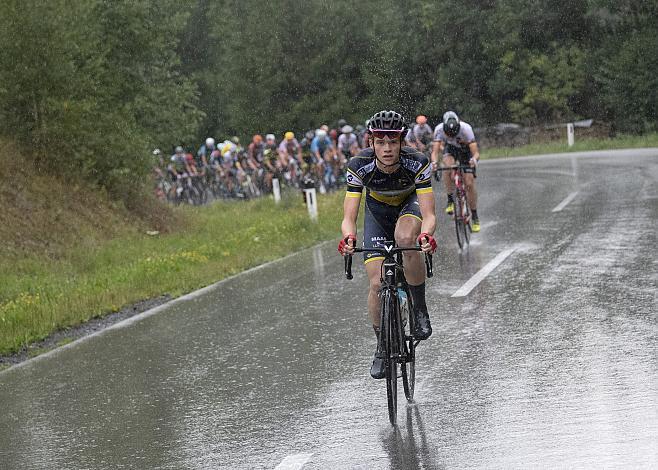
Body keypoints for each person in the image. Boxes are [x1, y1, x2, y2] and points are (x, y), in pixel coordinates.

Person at [338, 110, 437, 379]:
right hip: (377, 215)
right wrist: (348, 239)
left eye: (393, 142)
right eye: (380, 142)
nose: (387, 148)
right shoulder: (358, 165)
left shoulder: (417, 162)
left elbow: (429, 215)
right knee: (376, 283)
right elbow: (349, 217)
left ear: (402, 141)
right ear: (371, 142)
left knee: (405, 239)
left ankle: (419, 309)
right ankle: (381, 346)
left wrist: (426, 236)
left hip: (409, 207)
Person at [431, 111, 481, 232]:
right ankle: (450, 199)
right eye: (449, 134)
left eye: (454, 133)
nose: (452, 136)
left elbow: (476, 153)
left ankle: (474, 215)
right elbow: (435, 152)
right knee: (447, 167)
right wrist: (434, 163)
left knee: (469, 183)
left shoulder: (466, 129)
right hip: (450, 149)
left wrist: (474, 160)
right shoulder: (439, 129)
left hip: (465, 151)